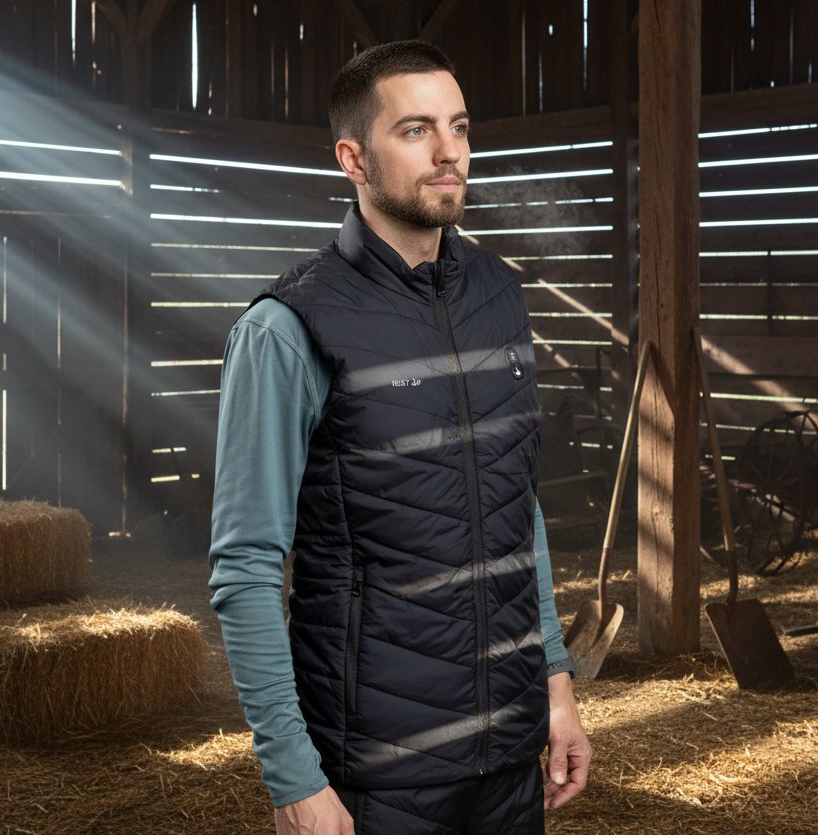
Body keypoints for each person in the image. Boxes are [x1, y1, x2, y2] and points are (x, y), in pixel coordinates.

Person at [209, 40, 591, 836]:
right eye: (416, 130)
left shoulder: (500, 296)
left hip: (510, 757)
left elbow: (516, 509)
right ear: (354, 158)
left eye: (459, 127)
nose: (449, 151)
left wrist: (555, 683)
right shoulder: (286, 330)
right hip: (375, 774)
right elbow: (246, 570)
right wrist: (291, 778)